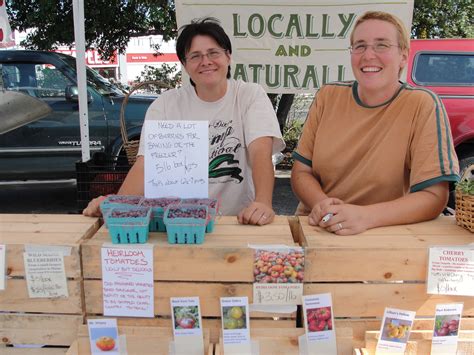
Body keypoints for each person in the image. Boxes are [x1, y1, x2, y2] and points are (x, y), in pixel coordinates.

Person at [83, 18, 285, 225]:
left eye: (213, 53)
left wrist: (262, 202)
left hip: (237, 220)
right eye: (195, 56)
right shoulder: (165, 105)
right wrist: (118, 205)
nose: (205, 61)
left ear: (228, 56)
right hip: (177, 222)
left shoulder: (250, 95)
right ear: (185, 65)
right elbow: (147, 165)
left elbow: (260, 151)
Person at [291, 11, 459, 235]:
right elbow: (301, 172)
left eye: (381, 45)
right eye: (359, 46)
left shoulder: (422, 104)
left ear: (403, 56)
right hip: (316, 228)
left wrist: (365, 216)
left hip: (382, 234)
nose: (368, 55)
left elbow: (435, 197)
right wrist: (323, 205)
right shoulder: (327, 95)